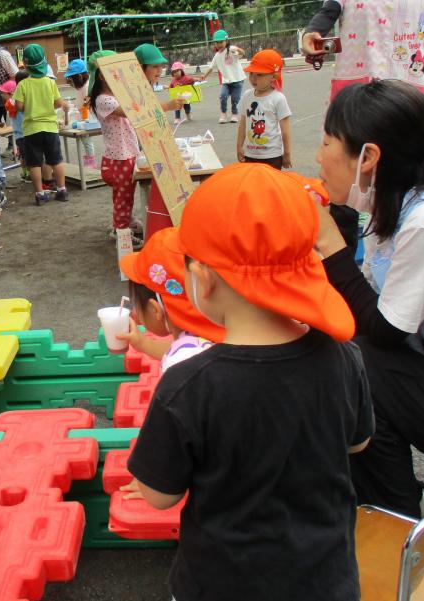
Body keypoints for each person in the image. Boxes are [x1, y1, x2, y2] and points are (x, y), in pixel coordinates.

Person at [127, 162, 372, 601]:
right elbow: (357, 445)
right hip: (326, 581)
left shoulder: (188, 386)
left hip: (222, 583)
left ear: (201, 278)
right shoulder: (344, 358)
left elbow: (159, 496)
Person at [312, 79, 424, 517]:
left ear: (369, 157)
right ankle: (390, 496)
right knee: (351, 357)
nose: (318, 156)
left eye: (326, 141)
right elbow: (368, 297)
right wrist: (339, 221)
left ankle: (397, 517)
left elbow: (383, 330)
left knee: (356, 367)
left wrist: (329, 242)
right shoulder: (404, 202)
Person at [302, 0, 424, 135]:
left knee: (404, 154)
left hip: (406, 91)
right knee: (353, 152)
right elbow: (330, 9)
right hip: (359, 90)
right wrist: (313, 30)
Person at [116, 227, 225, 373]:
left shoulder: (178, 365)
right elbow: (183, 348)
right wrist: (142, 343)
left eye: (137, 302)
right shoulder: (218, 333)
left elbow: (181, 355)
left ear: (155, 310)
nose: (135, 310)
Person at [87, 50, 144, 248]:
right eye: (115, 71)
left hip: (125, 154)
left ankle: (125, 222)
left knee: (125, 196)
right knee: (123, 198)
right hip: (119, 159)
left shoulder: (113, 95)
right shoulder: (104, 100)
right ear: (103, 75)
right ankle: (120, 232)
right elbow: (134, 111)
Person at [132, 44, 186, 239]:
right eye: (155, 67)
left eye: (161, 66)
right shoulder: (134, 87)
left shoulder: (146, 85)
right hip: (138, 145)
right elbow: (141, 113)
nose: (160, 71)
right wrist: (169, 106)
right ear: (141, 67)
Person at [13, 44, 68, 205]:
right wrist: (47, 105)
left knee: (35, 163)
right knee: (56, 160)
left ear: (26, 65)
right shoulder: (50, 82)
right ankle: (62, 190)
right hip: (50, 127)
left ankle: (40, 193)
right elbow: (58, 103)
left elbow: (19, 107)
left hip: (31, 130)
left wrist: (31, 105)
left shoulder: (23, 84)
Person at [236, 49, 292, 170]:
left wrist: (286, 153)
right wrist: (239, 146)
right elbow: (243, 124)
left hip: (272, 156)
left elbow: (285, 130)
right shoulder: (247, 95)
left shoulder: (278, 98)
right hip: (250, 154)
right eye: (251, 74)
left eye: (259, 74)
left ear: (274, 76)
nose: (253, 78)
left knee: (270, 187)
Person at [195, 30, 247, 124]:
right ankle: (223, 113)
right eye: (216, 42)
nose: (218, 44)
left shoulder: (231, 50)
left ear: (226, 41)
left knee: (235, 99)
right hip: (226, 81)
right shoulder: (217, 56)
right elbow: (211, 67)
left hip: (238, 79)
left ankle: (234, 114)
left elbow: (243, 53)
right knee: (223, 96)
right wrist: (204, 76)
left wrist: (238, 49)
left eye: (221, 42)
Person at [63, 59, 97, 170]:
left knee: (87, 141)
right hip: (82, 119)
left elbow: (86, 105)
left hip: (88, 119)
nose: (71, 81)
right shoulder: (81, 86)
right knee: (85, 141)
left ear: (79, 76)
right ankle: (89, 163)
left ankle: (91, 165)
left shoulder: (87, 86)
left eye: (72, 78)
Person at [7, 71, 30, 182]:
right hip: (27, 131)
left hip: (17, 134)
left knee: (23, 155)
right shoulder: (23, 96)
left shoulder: (12, 98)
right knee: (30, 156)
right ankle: (30, 175)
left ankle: (25, 174)